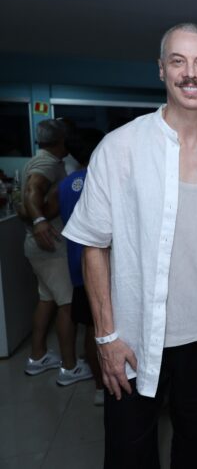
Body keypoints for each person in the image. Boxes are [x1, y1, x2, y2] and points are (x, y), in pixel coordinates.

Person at [62, 23, 197, 468]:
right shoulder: (120, 147)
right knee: (129, 454)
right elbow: (93, 245)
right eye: (179, 61)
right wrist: (106, 336)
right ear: (161, 70)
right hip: (134, 337)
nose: (191, 73)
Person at [22, 118, 93, 386]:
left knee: (46, 299)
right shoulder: (48, 164)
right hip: (50, 246)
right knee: (67, 307)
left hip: (37, 248)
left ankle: (38, 355)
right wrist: (40, 221)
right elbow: (32, 190)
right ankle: (69, 367)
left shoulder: (38, 159)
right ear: (61, 141)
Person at [50, 127, 107, 404]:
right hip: (100, 268)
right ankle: (105, 387)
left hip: (76, 266)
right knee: (103, 329)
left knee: (90, 328)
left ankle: (99, 387)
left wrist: (36, 222)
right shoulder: (103, 181)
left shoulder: (66, 184)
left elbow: (50, 212)